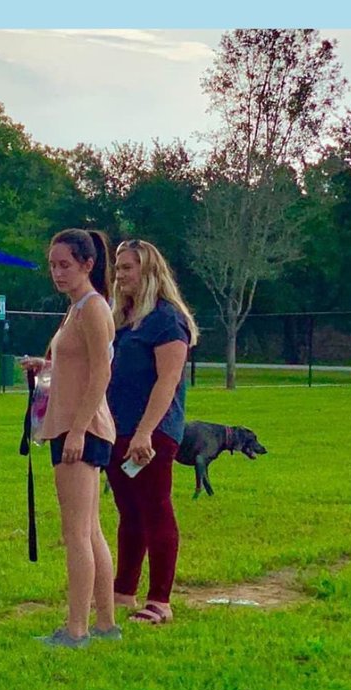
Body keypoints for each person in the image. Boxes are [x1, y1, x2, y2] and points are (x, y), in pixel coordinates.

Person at [20, 229, 119, 648]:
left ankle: (77, 628)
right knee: (90, 529)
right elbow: (77, 363)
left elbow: (102, 371)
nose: (57, 273)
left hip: (82, 429)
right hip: (69, 425)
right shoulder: (76, 310)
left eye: (65, 265)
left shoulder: (93, 309)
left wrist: (78, 429)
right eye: (53, 266)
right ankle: (105, 623)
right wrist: (44, 364)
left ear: (87, 265)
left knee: (76, 533)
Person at [106, 239, 197, 626]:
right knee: (129, 511)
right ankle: (122, 590)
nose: (120, 274)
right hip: (116, 428)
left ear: (149, 272)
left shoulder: (166, 319)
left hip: (153, 432)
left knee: (155, 508)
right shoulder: (124, 321)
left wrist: (145, 433)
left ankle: (160, 599)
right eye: (118, 267)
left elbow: (168, 380)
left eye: (128, 267)